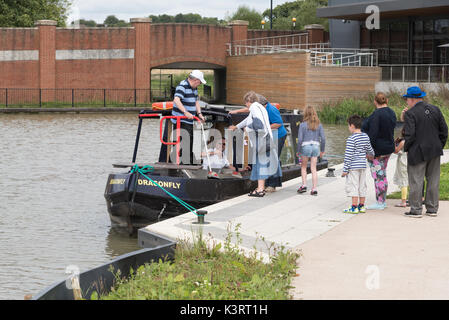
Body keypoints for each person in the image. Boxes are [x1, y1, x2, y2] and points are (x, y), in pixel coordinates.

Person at [402, 86, 448, 218]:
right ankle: (432, 208)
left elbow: (410, 135)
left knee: (416, 180)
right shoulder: (435, 109)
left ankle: (416, 209)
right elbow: (444, 131)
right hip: (434, 149)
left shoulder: (410, 113)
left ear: (411, 99)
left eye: (407, 99)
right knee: (433, 180)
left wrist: (407, 149)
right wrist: (439, 145)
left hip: (417, 151)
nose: (406, 102)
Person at [229, 91, 281, 197]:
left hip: (261, 139)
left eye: (246, 103)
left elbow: (258, 124)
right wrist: (237, 126)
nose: (246, 106)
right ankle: (261, 187)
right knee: (263, 163)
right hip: (267, 139)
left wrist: (247, 129)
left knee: (259, 164)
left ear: (249, 101)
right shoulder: (261, 107)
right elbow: (248, 119)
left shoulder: (253, 107)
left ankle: (260, 189)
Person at [159, 70, 206, 164]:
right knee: (182, 141)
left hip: (189, 120)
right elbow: (176, 100)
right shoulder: (182, 86)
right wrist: (185, 112)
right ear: (196, 80)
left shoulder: (194, 88)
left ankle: (187, 162)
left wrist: (199, 114)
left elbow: (196, 101)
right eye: (200, 82)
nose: (199, 84)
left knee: (189, 141)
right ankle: (180, 163)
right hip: (180, 119)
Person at [362, 92, 396, 210]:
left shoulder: (377, 114)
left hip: (377, 151)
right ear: (386, 100)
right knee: (382, 174)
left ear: (375, 102)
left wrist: (370, 151)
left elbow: (373, 134)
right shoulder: (392, 113)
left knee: (378, 176)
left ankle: (380, 202)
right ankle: (382, 200)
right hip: (388, 148)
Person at [342, 115, 375, 214]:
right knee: (362, 185)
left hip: (353, 167)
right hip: (362, 166)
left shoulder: (351, 139)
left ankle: (354, 207)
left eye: (348, 126)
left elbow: (348, 156)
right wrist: (371, 155)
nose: (348, 128)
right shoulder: (365, 136)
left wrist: (345, 170)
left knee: (353, 186)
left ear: (352, 126)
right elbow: (370, 150)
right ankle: (361, 206)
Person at [257, 94, 287, 192]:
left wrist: (265, 128)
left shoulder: (271, 109)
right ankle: (269, 183)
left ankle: (272, 185)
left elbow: (278, 123)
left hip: (278, 136)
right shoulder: (263, 109)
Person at [296, 105, 326, 196]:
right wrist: (322, 150)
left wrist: (298, 151)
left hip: (305, 147)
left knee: (304, 167)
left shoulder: (302, 125)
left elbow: (300, 139)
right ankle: (314, 189)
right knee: (313, 168)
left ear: (305, 114)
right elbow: (323, 139)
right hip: (316, 147)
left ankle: (304, 185)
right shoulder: (319, 125)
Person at [393, 128, 408, 208]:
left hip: (403, 161)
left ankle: (403, 201)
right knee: (408, 180)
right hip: (409, 161)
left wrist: (394, 143)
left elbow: (396, 151)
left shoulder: (403, 142)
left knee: (404, 181)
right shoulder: (412, 140)